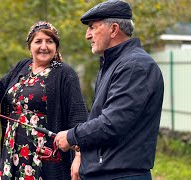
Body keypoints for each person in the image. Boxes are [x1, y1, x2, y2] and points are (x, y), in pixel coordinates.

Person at [54, 0, 164, 180]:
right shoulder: (113, 64)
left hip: (122, 175)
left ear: (113, 30)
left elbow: (112, 124)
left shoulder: (135, 66)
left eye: (92, 27)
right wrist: (81, 154)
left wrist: (72, 136)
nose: (87, 35)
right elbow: (99, 118)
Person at [0, 21, 88, 180]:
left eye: (49, 41)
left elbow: (78, 117)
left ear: (56, 46)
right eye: (38, 41)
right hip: (12, 150)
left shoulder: (65, 73)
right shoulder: (22, 66)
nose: (44, 46)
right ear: (30, 46)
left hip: (45, 156)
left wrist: (79, 157)